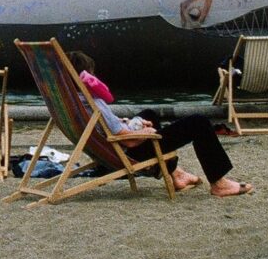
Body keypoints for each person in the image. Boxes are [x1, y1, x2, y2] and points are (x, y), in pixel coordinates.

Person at [89, 85, 252, 198]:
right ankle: (219, 184)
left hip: (113, 149)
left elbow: (108, 126)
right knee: (199, 122)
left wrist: (129, 122)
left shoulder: (79, 102)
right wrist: (145, 132)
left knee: (149, 114)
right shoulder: (94, 102)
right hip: (130, 152)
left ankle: (176, 173)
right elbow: (129, 142)